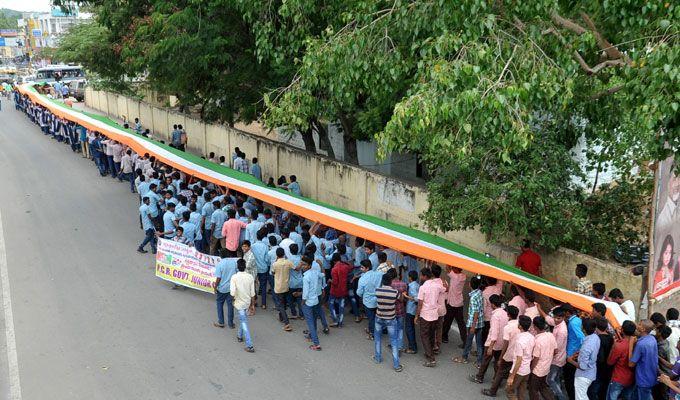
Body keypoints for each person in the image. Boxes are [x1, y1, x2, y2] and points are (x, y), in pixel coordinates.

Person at [482, 305, 520, 397]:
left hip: (508, 354)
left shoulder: (508, 327)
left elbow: (506, 344)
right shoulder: (519, 325)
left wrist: (501, 357)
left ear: (508, 315)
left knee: (500, 371)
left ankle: (493, 391)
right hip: (516, 354)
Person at [470, 294, 507, 384]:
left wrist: (490, 346)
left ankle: (479, 377)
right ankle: (497, 380)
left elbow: (494, 332)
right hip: (501, 343)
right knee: (498, 363)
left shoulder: (495, 316)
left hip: (493, 343)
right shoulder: (505, 313)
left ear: (493, 304)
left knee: (485, 361)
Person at [374, 269, 403, 372]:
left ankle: (377, 358)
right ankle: (396, 365)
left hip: (379, 317)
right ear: (391, 282)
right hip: (390, 318)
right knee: (394, 341)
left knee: (377, 338)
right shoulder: (394, 292)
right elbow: (401, 299)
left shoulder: (377, 290)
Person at [416, 267, 446, 367]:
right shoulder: (437, 285)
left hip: (425, 314)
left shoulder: (422, 288)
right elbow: (445, 289)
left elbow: (420, 304)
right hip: (435, 314)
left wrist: (417, 316)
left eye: (421, 275)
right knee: (431, 334)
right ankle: (431, 351)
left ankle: (431, 358)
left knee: (424, 335)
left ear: (425, 276)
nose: (420, 277)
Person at [454, 276, 484, 365]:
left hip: (473, 323)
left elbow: (476, 312)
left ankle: (464, 357)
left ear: (470, 284)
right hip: (480, 323)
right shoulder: (479, 293)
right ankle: (479, 361)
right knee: (479, 343)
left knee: (468, 341)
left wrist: (473, 326)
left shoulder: (473, 297)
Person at [568, 318, 600, 400]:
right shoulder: (595, 337)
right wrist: (580, 353)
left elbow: (583, 366)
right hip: (591, 372)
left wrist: (570, 360)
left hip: (583, 376)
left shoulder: (586, 346)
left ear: (583, 329)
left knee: (580, 397)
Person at [506, 315, 535, 400]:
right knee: (521, 392)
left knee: (509, 390)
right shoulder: (532, 337)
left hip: (519, 370)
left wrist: (512, 376)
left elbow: (519, 360)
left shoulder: (519, 341)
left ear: (520, 326)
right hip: (527, 370)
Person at [230, 259, 256, 352]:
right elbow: (253, 293)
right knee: (243, 319)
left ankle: (250, 345)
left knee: (244, 322)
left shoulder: (234, 277)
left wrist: (233, 301)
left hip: (239, 304)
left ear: (237, 267)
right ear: (245, 267)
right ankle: (239, 336)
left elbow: (232, 293)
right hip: (247, 302)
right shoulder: (250, 277)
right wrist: (252, 305)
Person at [606, 320, 637, 400]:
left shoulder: (619, 346)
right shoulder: (636, 343)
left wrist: (613, 346)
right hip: (631, 378)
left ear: (622, 330)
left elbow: (610, 362)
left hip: (618, 378)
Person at [529, 316, 557, 400]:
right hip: (546, 368)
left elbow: (536, 358)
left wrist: (531, 369)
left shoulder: (538, 340)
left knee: (533, 389)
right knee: (542, 387)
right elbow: (556, 351)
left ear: (535, 327)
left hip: (537, 370)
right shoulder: (550, 335)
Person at [630, 319, 659, 400]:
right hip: (651, 375)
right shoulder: (652, 339)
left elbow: (631, 364)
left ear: (643, 329)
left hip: (643, 379)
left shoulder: (641, 344)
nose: (637, 325)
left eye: (639, 324)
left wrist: (631, 345)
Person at [300, 256, 325, 351]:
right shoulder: (315, 272)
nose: (303, 266)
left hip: (308, 301)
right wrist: (321, 265)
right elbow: (323, 275)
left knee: (310, 322)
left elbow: (305, 293)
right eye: (302, 264)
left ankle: (316, 343)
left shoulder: (306, 277)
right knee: (313, 320)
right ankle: (311, 335)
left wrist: (303, 302)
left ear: (309, 265)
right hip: (315, 300)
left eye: (304, 265)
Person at [357, 259, 383, 340]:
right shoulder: (378, 274)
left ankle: (372, 334)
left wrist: (363, 295)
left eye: (362, 267)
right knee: (376, 317)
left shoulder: (362, 279)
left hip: (368, 302)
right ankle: (373, 330)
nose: (360, 269)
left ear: (367, 268)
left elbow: (359, 292)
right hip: (378, 299)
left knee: (371, 318)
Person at [564, 303, 585, 400]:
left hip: (571, 353)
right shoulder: (577, 319)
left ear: (568, 313)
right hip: (574, 352)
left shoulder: (572, 323)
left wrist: (579, 351)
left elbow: (581, 337)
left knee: (569, 380)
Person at [547, 307, 569, 400]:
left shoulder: (561, 331)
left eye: (558, 318)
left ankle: (561, 397)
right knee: (556, 379)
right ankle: (558, 397)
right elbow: (551, 321)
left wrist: (547, 356)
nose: (556, 320)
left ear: (563, 317)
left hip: (557, 359)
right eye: (555, 317)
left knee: (550, 380)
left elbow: (556, 349)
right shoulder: (559, 323)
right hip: (560, 358)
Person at [443, 266, 467, 348]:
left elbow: (447, 268)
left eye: (454, 268)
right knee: (461, 323)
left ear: (456, 269)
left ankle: (444, 337)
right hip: (459, 303)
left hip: (452, 303)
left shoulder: (455, 276)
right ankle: (465, 340)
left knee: (447, 321)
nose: (452, 269)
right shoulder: (463, 276)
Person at [271, 247, 294, 332]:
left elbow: (273, 272)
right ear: (284, 254)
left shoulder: (275, 264)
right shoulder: (288, 262)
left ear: (277, 255)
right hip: (286, 286)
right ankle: (281, 317)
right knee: (283, 302)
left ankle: (287, 323)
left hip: (278, 287)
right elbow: (295, 268)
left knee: (280, 305)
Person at [590, 318, 613, 400]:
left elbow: (600, 357)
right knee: (604, 389)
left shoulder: (597, 339)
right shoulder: (611, 337)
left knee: (593, 390)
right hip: (609, 368)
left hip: (600, 368)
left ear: (596, 328)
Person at [213, 250, 237, 329]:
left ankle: (221, 322)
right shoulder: (233, 262)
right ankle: (230, 323)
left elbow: (218, 278)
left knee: (219, 304)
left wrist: (215, 287)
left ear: (220, 256)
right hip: (231, 288)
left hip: (222, 288)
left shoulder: (220, 264)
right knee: (230, 305)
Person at [329, 253, 352, 328]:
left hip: (335, 290)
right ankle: (340, 323)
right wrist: (345, 262)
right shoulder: (345, 266)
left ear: (333, 261)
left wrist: (330, 280)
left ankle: (335, 320)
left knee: (331, 304)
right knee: (341, 306)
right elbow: (351, 267)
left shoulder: (334, 269)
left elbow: (335, 282)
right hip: (343, 289)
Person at [403, 270, 420, 354]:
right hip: (414, 309)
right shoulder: (417, 285)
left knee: (409, 329)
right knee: (411, 328)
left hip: (410, 309)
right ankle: (413, 346)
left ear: (410, 277)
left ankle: (412, 347)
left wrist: (406, 296)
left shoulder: (411, 286)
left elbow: (417, 298)